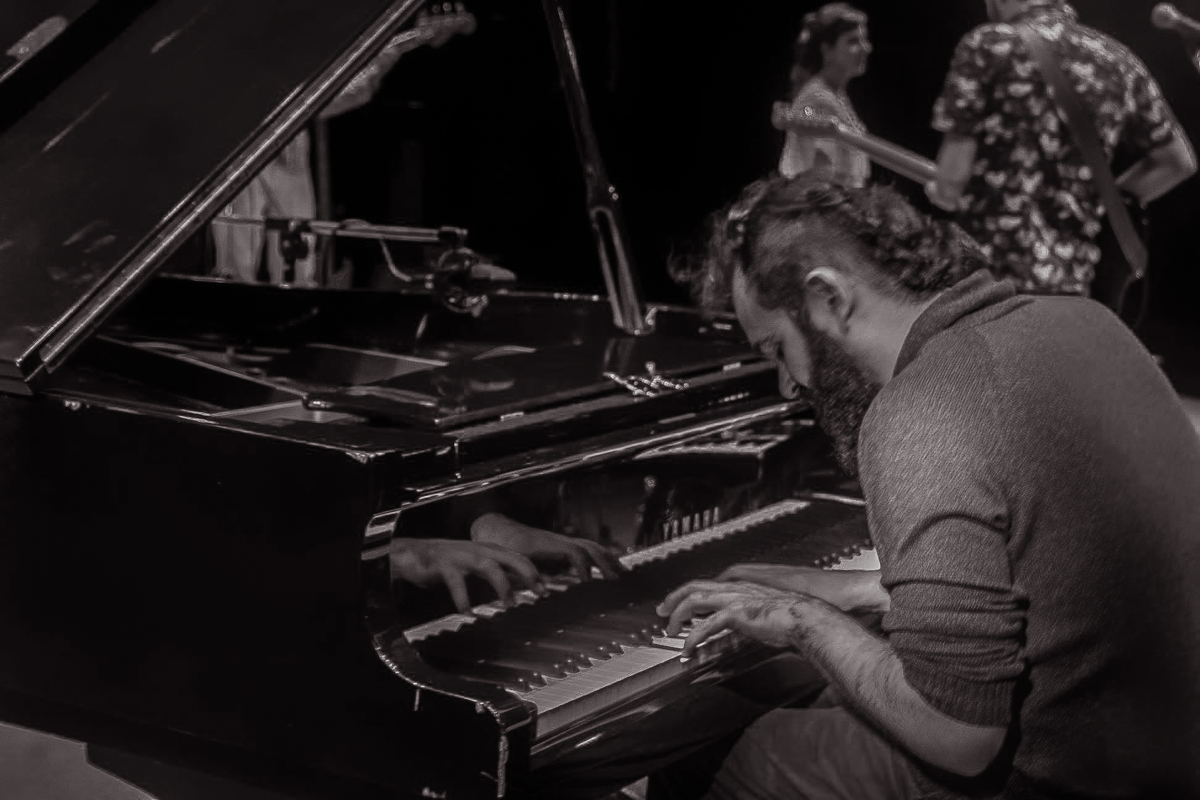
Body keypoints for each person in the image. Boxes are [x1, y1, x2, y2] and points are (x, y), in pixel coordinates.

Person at [656, 175, 1200, 798]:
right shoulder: (1087, 322)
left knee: (723, 755)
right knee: (832, 690)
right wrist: (863, 591)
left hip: (1060, 782)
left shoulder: (920, 409)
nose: (787, 385)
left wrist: (799, 619)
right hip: (1171, 756)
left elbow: (960, 737)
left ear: (828, 296)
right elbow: (1058, 578)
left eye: (777, 348)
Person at [925, 0, 1196, 296]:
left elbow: (951, 181)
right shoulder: (1117, 59)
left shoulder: (988, 44)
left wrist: (942, 191)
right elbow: (1177, 162)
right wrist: (1102, 201)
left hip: (987, 283)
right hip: (1070, 290)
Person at [772, 4, 873, 187]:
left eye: (864, 40)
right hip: (826, 200)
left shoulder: (837, 96)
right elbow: (821, 181)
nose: (866, 48)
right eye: (853, 41)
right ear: (827, 50)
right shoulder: (817, 98)